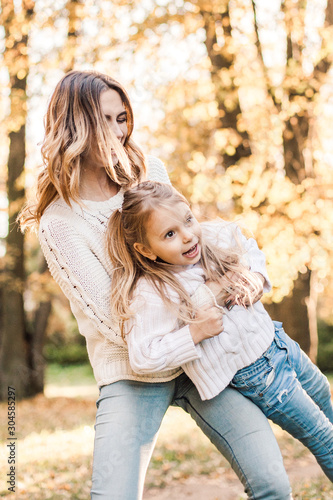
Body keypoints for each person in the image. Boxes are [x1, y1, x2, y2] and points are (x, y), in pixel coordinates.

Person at [19, 70, 293, 499]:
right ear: (75, 128)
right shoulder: (60, 224)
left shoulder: (150, 172)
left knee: (272, 484)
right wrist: (194, 320)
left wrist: (233, 288)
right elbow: (118, 326)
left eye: (122, 118)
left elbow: (191, 250)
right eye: (103, 121)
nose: (117, 132)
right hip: (133, 370)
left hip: (205, 356)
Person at [107, 180, 333, 482]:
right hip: (258, 375)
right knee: (322, 435)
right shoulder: (153, 292)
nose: (188, 237)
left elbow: (246, 241)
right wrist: (194, 333)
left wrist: (255, 276)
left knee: (322, 393)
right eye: (170, 234)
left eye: (188, 219)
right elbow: (143, 356)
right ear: (146, 250)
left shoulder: (211, 236)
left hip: (276, 340)